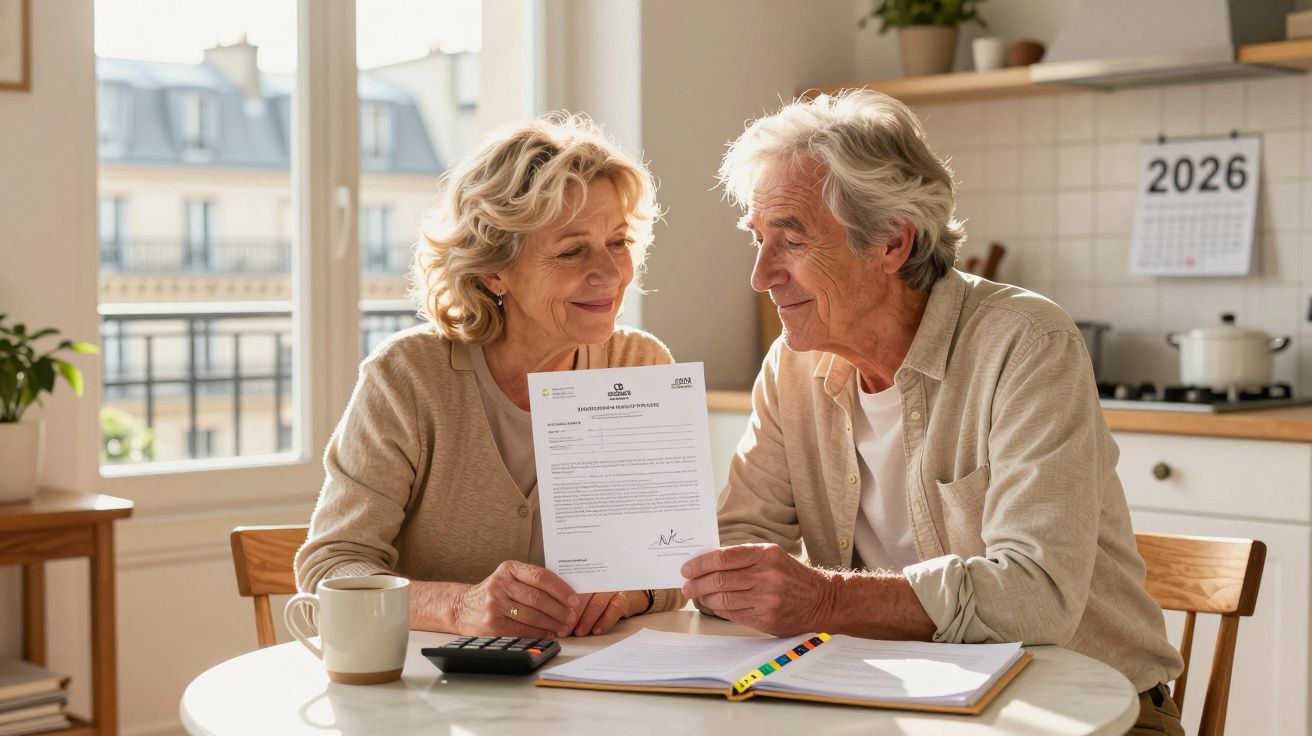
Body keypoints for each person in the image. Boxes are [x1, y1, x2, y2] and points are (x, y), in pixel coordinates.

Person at [679, 90, 1185, 735]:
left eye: (792, 240)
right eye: (757, 239)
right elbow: (742, 537)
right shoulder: (792, 364)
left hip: (1087, 710)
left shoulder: (1026, 343)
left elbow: (1038, 596)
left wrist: (825, 598)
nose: (760, 274)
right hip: (901, 701)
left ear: (892, 242)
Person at [297, 112, 682, 640]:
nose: (612, 273)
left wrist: (633, 592)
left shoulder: (640, 367)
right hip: (435, 699)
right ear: (492, 270)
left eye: (617, 242)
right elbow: (331, 571)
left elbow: (677, 560)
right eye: (572, 251)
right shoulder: (407, 378)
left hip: (597, 681)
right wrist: (459, 608)